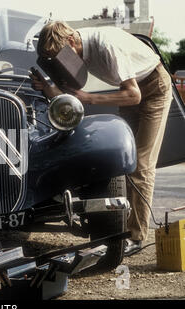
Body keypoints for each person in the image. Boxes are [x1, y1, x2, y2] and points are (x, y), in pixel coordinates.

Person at [30, 21, 172, 256]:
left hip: (153, 88)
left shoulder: (105, 46)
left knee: (142, 165)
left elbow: (133, 95)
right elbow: (72, 96)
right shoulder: (72, 49)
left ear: (72, 42)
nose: (63, 62)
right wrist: (47, 87)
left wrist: (90, 98)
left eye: (62, 56)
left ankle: (136, 237)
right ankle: (121, 229)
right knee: (124, 161)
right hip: (129, 88)